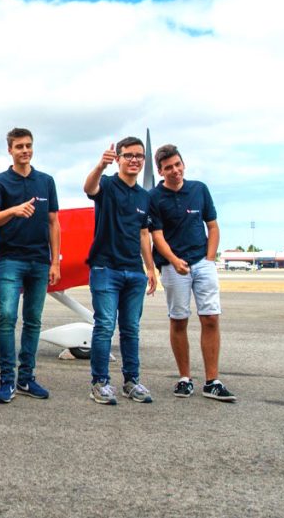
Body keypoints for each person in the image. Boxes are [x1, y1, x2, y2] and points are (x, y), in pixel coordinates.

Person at [149, 144, 236, 402]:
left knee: (211, 318)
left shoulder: (199, 189)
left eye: (178, 164)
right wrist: (173, 260)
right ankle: (184, 378)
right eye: (168, 167)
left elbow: (213, 226)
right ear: (160, 171)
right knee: (179, 320)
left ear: (183, 164)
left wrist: (210, 259)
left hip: (202, 262)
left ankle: (212, 381)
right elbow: (156, 235)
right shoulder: (154, 197)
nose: (175, 170)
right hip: (173, 265)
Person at [0, 128, 60, 403]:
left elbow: (53, 223)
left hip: (40, 261)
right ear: (10, 150)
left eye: (28, 145)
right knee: (7, 317)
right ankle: (7, 380)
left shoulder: (46, 181)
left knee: (33, 320)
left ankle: (26, 378)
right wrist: (14, 210)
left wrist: (55, 261)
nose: (25, 150)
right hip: (11, 261)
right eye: (19, 146)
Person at [83, 137, 158, 406]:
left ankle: (131, 381)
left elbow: (143, 233)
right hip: (106, 268)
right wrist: (100, 166)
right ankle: (100, 382)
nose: (134, 160)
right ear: (118, 159)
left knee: (131, 329)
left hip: (134, 271)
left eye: (139, 156)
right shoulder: (106, 184)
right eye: (128, 155)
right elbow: (88, 188)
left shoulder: (144, 196)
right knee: (105, 326)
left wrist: (150, 267)